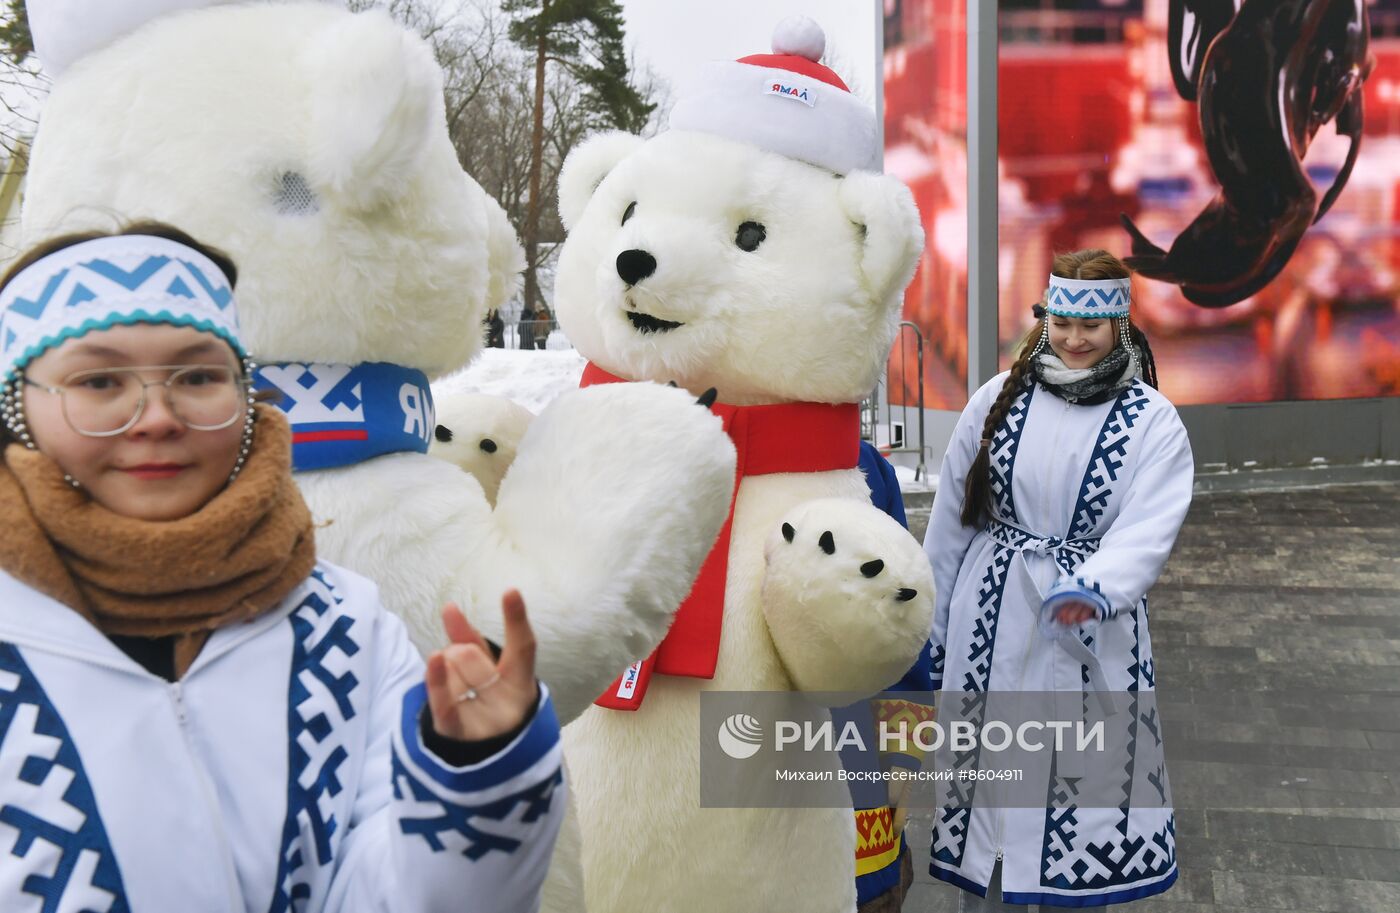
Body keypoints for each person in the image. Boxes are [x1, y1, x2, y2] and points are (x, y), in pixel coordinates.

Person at [0, 223, 565, 911]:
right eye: (98, 380)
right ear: (15, 406)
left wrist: (478, 778)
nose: (156, 416)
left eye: (200, 375)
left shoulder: (342, 628)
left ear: (245, 399)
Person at [923, 249, 1192, 909]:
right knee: (986, 789)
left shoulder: (1152, 419)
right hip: (989, 617)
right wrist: (926, 624)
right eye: (1062, 321)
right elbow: (954, 518)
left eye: (1090, 326)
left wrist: (1092, 588)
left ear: (1118, 325)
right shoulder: (996, 398)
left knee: (1072, 795)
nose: (1074, 338)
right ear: (1046, 316)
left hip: (1086, 630)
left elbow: (1147, 527)